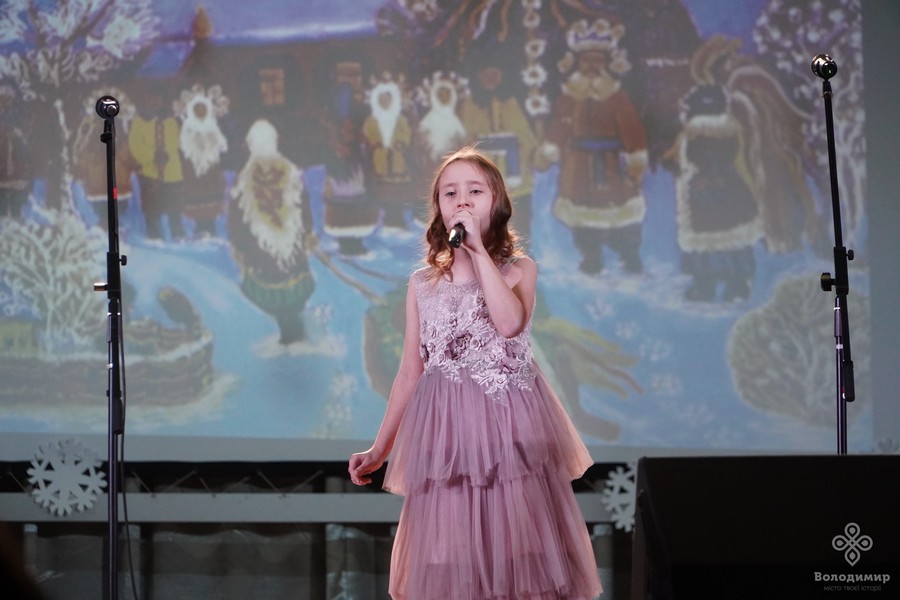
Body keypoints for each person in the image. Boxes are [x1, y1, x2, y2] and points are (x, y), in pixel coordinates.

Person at [348, 147, 602, 600]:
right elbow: (410, 372)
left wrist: (479, 252)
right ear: (439, 208)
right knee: (453, 563)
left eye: (475, 191)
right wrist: (380, 448)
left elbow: (509, 323)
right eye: (450, 193)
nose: (461, 200)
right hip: (447, 439)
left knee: (516, 562)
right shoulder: (422, 284)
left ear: (496, 202)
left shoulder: (519, 271)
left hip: (508, 434)